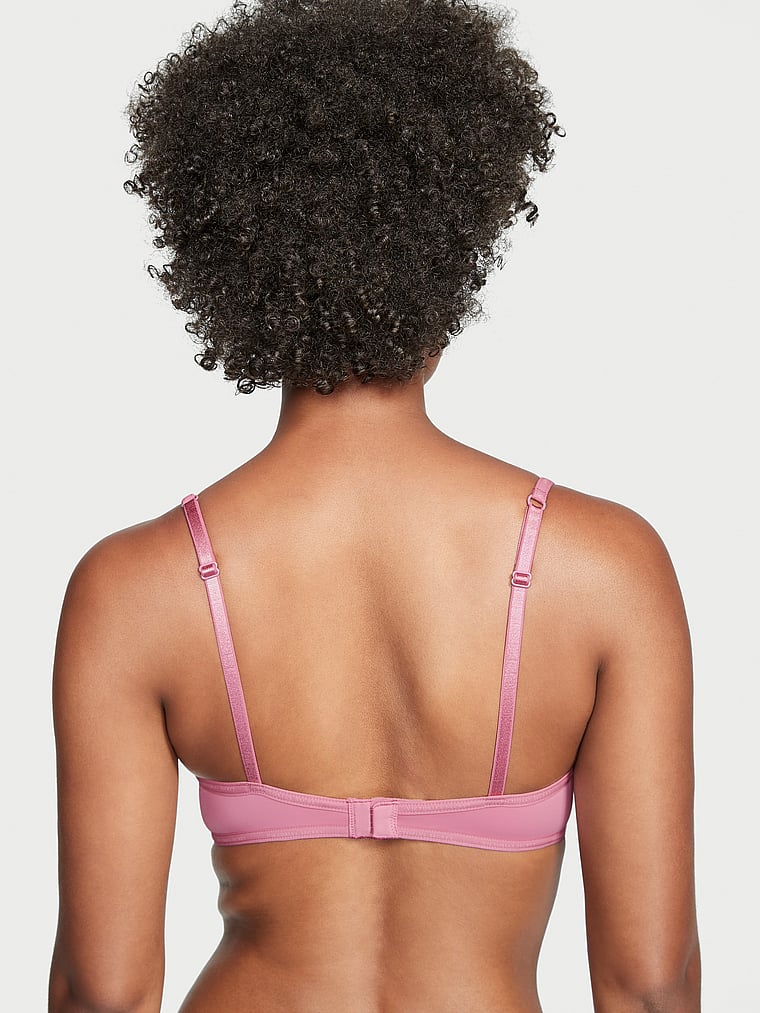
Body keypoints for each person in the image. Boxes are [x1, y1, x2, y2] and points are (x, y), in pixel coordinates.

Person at [48, 1, 700, 1010]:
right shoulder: (606, 570)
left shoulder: (133, 588)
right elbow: (649, 984)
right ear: (451, 249)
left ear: (236, 261)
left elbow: (104, 990)